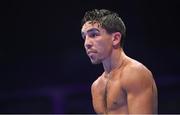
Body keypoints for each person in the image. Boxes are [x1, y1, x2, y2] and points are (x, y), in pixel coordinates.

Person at [81, 9, 158, 114]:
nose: (87, 43)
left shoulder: (134, 73)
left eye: (94, 35)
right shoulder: (96, 86)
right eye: (84, 37)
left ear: (116, 38)